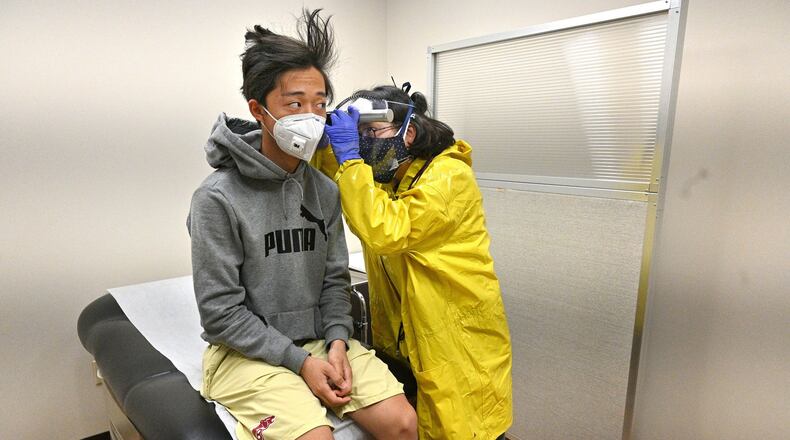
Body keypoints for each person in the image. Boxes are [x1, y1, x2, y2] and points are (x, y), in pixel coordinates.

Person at [187, 10, 417, 440]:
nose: (311, 117)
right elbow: (220, 314)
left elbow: (333, 280)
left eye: (320, 104)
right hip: (244, 353)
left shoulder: (324, 190)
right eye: (294, 104)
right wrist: (300, 364)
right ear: (259, 110)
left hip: (318, 340)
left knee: (403, 424)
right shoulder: (216, 199)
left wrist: (335, 343)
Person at [317, 84, 514, 439]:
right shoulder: (389, 176)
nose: (364, 143)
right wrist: (325, 146)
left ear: (408, 131)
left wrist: (348, 158)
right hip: (405, 337)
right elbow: (346, 185)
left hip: (456, 340)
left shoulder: (448, 177)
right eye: (358, 134)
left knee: (462, 429)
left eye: (372, 132)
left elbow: (385, 229)